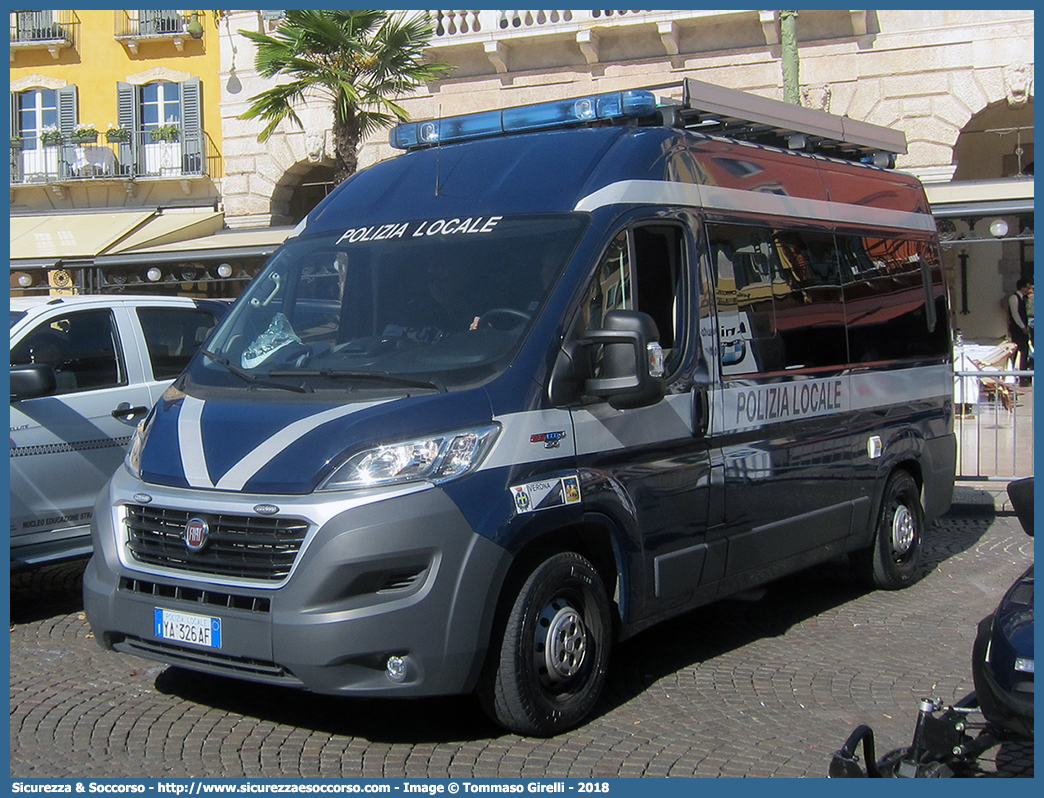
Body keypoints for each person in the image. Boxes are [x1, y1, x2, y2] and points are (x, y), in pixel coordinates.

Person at [1007, 278, 1033, 386]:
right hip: (1017, 329)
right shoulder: (1014, 298)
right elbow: (1015, 314)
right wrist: (1022, 327)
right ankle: (1015, 374)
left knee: (1024, 351)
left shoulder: (1023, 298)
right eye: (1027, 287)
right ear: (1022, 287)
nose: (1029, 289)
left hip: (1022, 329)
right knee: (1017, 351)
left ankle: (1023, 375)